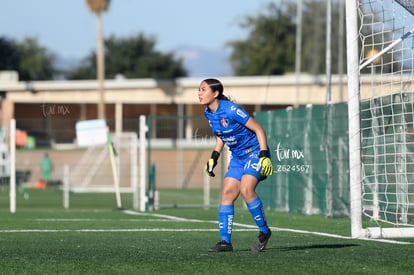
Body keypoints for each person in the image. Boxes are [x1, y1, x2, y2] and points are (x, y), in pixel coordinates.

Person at [198, 78, 273, 253]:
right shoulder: (208, 113)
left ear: (215, 93)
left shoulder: (232, 110)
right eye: (199, 90)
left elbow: (259, 129)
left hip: (255, 153)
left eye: (203, 89)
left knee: (247, 190)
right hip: (238, 157)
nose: (199, 93)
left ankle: (264, 232)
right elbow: (221, 135)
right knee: (227, 193)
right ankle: (225, 242)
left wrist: (264, 156)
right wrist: (214, 157)